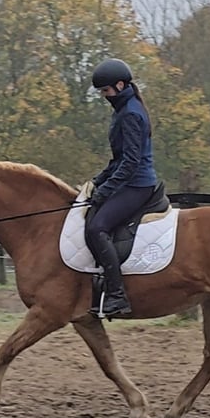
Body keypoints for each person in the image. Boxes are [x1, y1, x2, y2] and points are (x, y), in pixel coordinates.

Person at [86, 58, 158, 317]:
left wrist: (105, 191)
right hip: (129, 180)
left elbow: (130, 163)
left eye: (105, 91)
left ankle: (117, 296)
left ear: (119, 85)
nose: (104, 96)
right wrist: (96, 182)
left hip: (137, 185)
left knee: (97, 228)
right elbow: (117, 160)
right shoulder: (125, 108)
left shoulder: (130, 113)